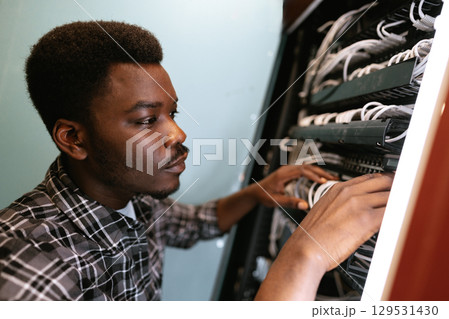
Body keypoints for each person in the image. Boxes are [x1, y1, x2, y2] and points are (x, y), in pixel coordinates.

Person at [0, 21, 393, 301]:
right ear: (74, 138)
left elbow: (192, 224)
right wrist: (305, 257)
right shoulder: (33, 266)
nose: (177, 135)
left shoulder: (131, 195)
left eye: (173, 114)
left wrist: (258, 194)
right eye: (146, 120)